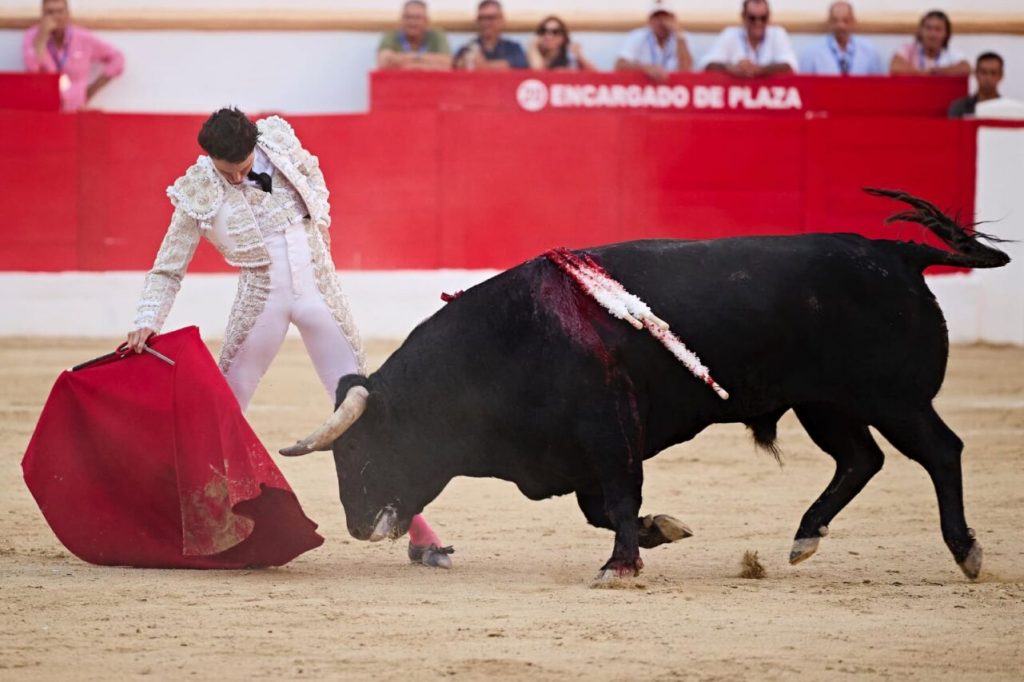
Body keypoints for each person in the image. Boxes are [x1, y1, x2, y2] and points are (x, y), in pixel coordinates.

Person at [125, 108, 454, 569]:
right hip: (261, 300)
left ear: (255, 145)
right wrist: (146, 320)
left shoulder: (280, 143)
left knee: (361, 407)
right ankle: (204, 525)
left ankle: (419, 530)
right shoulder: (198, 188)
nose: (237, 178)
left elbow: (317, 212)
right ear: (210, 160)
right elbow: (167, 268)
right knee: (222, 409)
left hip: (321, 291)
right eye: (227, 172)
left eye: (242, 167)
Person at [21, 0, 124, 112]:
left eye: (60, 11)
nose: (56, 17)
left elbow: (117, 59)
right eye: (50, 12)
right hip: (44, 109)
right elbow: (32, 70)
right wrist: (42, 38)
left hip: (74, 109)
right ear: (43, 16)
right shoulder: (32, 37)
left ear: (68, 14)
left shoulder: (83, 38)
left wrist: (91, 90)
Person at [699, 0, 798, 77]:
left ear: (769, 17)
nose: (758, 23)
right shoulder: (730, 34)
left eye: (763, 18)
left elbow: (790, 65)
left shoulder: (777, 34)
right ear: (743, 17)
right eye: (752, 18)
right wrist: (729, 68)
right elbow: (707, 65)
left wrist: (760, 70)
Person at [614, 0, 693, 82]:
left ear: (673, 19)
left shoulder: (683, 37)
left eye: (665, 17)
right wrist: (646, 68)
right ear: (650, 20)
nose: (661, 22)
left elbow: (686, 70)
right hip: (645, 90)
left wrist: (679, 35)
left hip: (675, 90)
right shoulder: (638, 36)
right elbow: (620, 65)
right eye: (656, 17)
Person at [798, 2, 883, 76]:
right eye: (835, 21)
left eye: (846, 20)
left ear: (853, 21)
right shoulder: (811, 53)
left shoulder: (870, 52)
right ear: (829, 22)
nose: (840, 26)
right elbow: (805, 86)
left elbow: (878, 86)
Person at [890, 10, 970, 76]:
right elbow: (895, 67)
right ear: (921, 31)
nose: (932, 34)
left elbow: (966, 68)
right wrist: (924, 74)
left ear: (946, 33)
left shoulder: (951, 52)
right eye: (928, 28)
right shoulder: (908, 49)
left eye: (938, 29)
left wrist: (937, 71)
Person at [377, 0, 452, 71]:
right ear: (401, 20)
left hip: (432, 83)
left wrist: (405, 61)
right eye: (408, 17)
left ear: (426, 21)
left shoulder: (437, 35)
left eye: (417, 18)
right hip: (398, 82)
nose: (412, 22)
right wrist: (426, 62)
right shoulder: (391, 35)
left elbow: (446, 64)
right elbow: (384, 62)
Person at [453, 0, 527, 70]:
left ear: (502, 20)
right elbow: (455, 66)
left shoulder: (513, 48)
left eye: (491, 18)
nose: (486, 23)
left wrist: (484, 66)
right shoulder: (466, 49)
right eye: (482, 18)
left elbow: (519, 65)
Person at [527, 15, 596, 71]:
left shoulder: (569, 59)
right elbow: (537, 75)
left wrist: (580, 56)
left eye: (555, 32)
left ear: (563, 38)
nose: (548, 36)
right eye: (543, 31)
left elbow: (596, 75)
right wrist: (532, 46)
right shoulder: (531, 56)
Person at [949, 52, 1005, 118]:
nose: (988, 78)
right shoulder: (959, 108)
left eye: (993, 73)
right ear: (976, 73)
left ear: (1001, 76)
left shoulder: (1006, 109)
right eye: (983, 72)